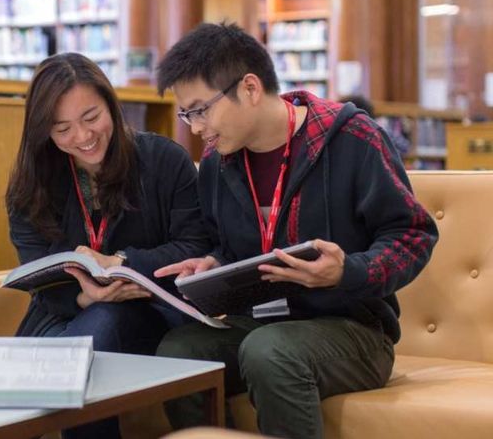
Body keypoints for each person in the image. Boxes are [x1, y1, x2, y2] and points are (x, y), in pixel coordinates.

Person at [153, 22, 439, 439]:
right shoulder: (218, 162)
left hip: (353, 329)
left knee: (270, 351)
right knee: (178, 353)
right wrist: (213, 264)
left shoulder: (353, 138)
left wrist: (348, 272)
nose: (195, 128)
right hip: (260, 324)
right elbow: (227, 244)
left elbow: (412, 235)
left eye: (200, 110)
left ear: (249, 88)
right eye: (187, 114)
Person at [5, 52, 210, 438]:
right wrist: (85, 297)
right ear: (43, 131)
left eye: (91, 118)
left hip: (155, 311)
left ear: (112, 106)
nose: (82, 137)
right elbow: (38, 279)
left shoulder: (164, 160)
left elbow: (194, 245)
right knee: (84, 333)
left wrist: (121, 261)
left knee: (95, 335)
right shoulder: (32, 187)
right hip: (65, 315)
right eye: (62, 128)